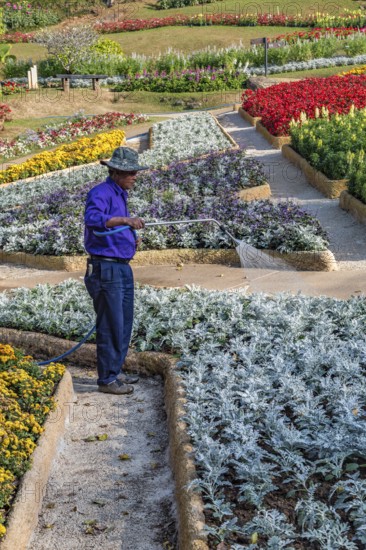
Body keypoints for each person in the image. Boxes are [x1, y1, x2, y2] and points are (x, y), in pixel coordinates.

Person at [84, 146, 148, 395]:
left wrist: (130, 238)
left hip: (121, 267)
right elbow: (93, 219)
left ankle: (116, 371)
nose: (135, 176)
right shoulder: (100, 192)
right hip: (106, 269)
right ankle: (107, 380)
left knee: (123, 323)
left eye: (135, 172)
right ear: (116, 172)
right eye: (131, 172)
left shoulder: (120, 194)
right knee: (110, 324)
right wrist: (127, 221)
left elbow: (111, 230)